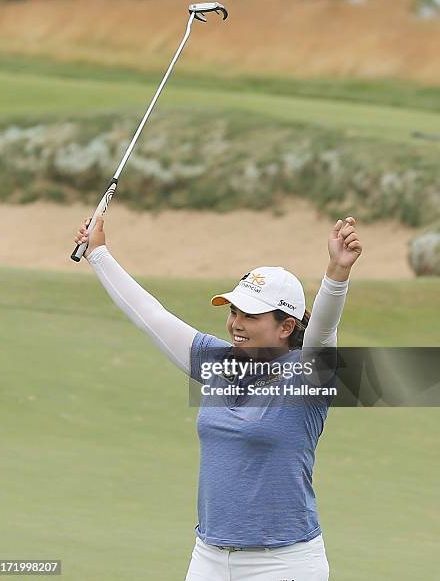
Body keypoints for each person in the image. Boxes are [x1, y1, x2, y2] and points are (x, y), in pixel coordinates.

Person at [73, 214, 362, 581]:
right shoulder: (216, 361)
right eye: (233, 311)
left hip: (283, 563)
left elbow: (323, 330)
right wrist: (98, 253)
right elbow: (152, 317)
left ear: (286, 326)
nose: (236, 323)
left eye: (251, 315)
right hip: (208, 556)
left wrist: (337, 272)